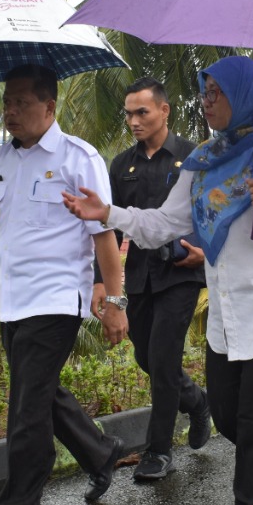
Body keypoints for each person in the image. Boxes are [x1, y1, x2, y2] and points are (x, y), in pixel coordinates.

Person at [63, 55, 253, 505]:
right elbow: (166, 223)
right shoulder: (204, 161)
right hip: (228, 315)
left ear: (244, 94)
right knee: (230, 420)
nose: (205, 102)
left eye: (215, 93)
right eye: (204, 93)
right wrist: (108, 215)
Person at [0, 64, 129, 505]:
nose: (10, 111)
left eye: (22, 102)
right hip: (13, 302)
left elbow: (104, 234)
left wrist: (114, 300)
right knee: (40, 393)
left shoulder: (78, 158)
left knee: (26, 408)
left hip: (56, 299)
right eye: (6, 101)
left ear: (49, 107)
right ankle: (100, 452)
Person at [94, 77, 211, 481]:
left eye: (141, 112)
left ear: (164, 110)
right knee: (147, 357)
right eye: (128, 113)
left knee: (163, 360)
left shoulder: (193, 157)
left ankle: (158, 450)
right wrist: (101, 283)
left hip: (181, 271)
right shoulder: (122, 165)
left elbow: (210, 211)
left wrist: (202, 249)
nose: (133, 121)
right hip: (140, 274)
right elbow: (106, 227)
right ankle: (196, 402)